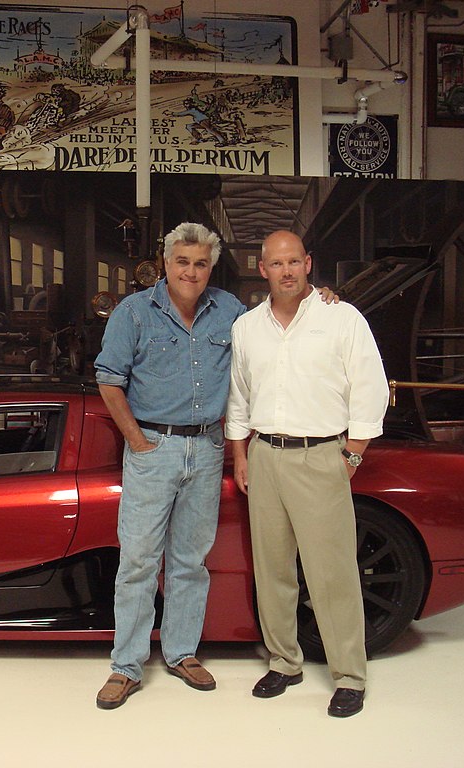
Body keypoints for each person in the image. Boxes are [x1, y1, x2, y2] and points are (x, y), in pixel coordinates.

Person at [225, 229, 388, 719]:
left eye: (295, 261)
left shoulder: (341, 318)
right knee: (273, 569)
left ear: (309, 263)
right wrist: (240, 455)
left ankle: (350, 675)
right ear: (263, 269)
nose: (287, 271)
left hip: (321, 456)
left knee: (331, 573)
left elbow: (369, 385)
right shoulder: (247, 327)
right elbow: (239, 395)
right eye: (277, 264)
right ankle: (284, 662)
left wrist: (353, 452)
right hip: (265, 456)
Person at [92, 222, 244, 709]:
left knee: (190, 561)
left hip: (206, 449)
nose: (191, 272)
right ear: (165, 262)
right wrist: (137, 441)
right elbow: (109, 381)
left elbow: (277, 333)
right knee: (137, 560)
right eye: (183, 261)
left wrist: (318, 297)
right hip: (153, 448)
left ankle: (181, 652)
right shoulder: (134, 313)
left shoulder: (231, 313)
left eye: (201, 263)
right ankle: (126, 665)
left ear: (211, 267)